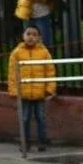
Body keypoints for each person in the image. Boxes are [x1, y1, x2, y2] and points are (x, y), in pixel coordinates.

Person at [7, 24, 56, 152]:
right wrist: (13, 90)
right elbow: (12, 73)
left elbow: (50, 71)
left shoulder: (44, 53)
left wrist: (50, 89)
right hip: (23, 93)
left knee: (41, 117)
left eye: (34, 35)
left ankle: (42, 141)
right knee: (24, 118)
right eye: (28, 34)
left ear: (39, 37)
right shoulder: (16, 53)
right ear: (23, 36)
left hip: (40, 93)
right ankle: (25, 142)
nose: (31, 37)